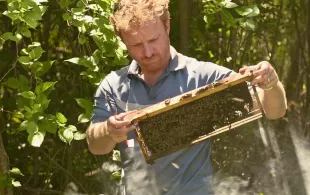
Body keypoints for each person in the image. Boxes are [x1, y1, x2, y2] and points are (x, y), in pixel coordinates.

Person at [86, 0, 287, 194]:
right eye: (137, 44)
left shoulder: (202, 76)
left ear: (167, 25)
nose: (147, 52)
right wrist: (108, 130)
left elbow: (274, 111)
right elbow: (95, 146)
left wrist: (271, 83)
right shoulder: (113, 85)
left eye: (153, 40)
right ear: (123, 41)